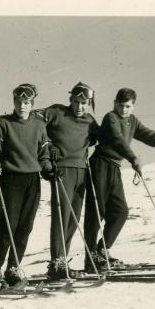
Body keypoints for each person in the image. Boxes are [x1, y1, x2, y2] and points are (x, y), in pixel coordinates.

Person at [83, 87, 155, 272]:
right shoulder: (111, 118)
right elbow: (118, 140)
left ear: (133, 107)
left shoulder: (132, 121)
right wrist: (133, 158)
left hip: (114, 167)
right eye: (120, 105)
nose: (123, 109)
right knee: (96, 213)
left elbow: (152, 137)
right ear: (114, 103)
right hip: (100, 165)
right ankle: (91, 260)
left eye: (128, 106)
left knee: (120, 211)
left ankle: (101, 252)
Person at [0, 83, 52, 288]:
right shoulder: (3, 123)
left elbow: (44, 153)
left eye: (26, 102)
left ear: (32, 104)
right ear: (14, 102)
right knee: (7, 227)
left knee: (25, 227)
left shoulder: (39, 126)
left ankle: (13, 268)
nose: (22, 106)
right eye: (19, 102)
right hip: (11, 179)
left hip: (32, 179)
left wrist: (47, 168)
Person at [40, 82, 100, 279]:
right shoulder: (56, 112)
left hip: (82, 172)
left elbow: (99, 137)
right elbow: (35, 123)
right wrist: (48, 144)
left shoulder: (90, 121)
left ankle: (61, 261)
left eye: (84, 103)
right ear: (70, 100)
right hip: (62, 170)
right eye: (76, 101)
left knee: (73, 218)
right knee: (62, 216)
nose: (79, 106)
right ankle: (56, 261)